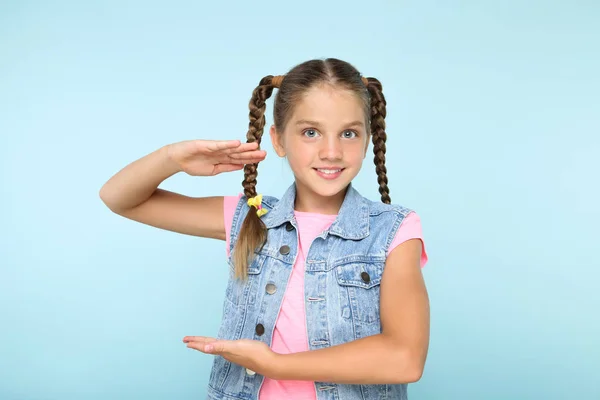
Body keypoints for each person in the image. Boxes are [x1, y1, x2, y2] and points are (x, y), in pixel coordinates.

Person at [99, 58, 430, 400]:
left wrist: (276, 365)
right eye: (310, 132)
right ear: (278, 140)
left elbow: (405, 359)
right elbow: (119, 198)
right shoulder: (250, 218)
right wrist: (172, 158)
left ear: (366, 140)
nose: (331, 152)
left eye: (348, 133)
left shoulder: (393, 231)